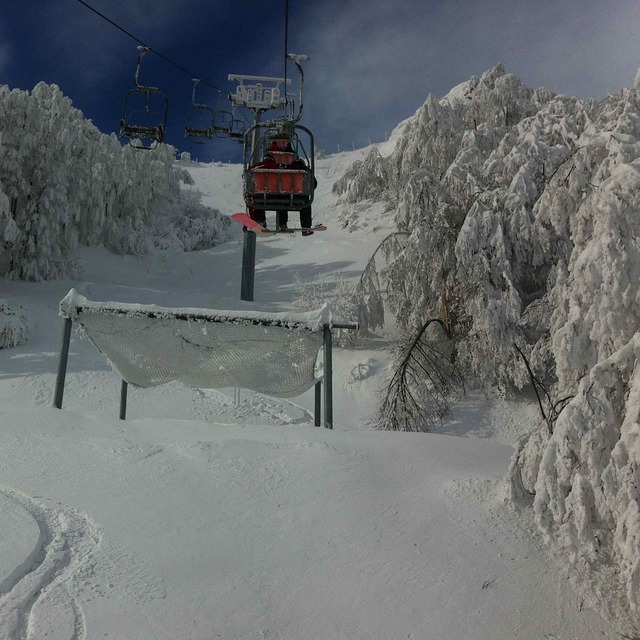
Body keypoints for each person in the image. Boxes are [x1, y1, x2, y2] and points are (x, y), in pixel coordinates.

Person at [276, 157, 318, 235]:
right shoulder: (306, 171)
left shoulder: (286, 170)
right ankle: (306, 227)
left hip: (287, 197)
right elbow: (314, 184)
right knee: (306, 205)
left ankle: (282, 224)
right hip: (301, 198)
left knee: (282, 202)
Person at [247, 153, 278, 227]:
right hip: (275, 195)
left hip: (259, 195)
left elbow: (247, 175)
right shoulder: (276, 167)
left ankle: (256, 219)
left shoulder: (257, 166)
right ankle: (282, 223)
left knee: (253, 199)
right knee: (261, 197)